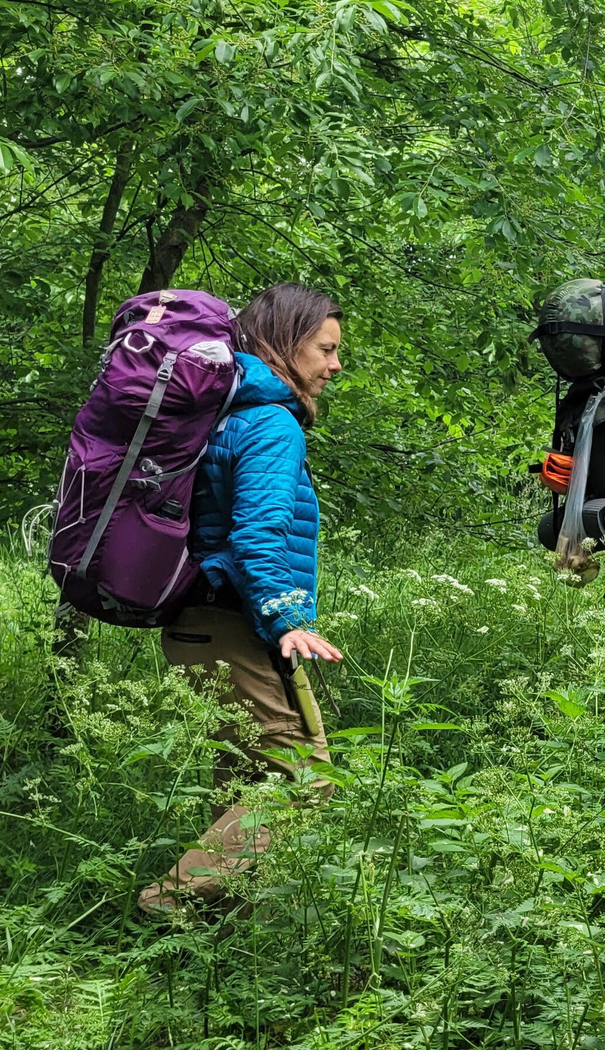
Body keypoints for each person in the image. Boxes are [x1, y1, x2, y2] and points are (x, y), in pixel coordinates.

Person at [138, 283, 345, 915]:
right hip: (233, 622)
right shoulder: (269, 422)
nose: (335, 366)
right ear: (285, 344)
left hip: (196, 621)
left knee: (245, 781)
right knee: (300, 781)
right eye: (326, 349)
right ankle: (169, 902)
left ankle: (222, 942)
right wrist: (287, 617)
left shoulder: (218, 415)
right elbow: (258, 530)